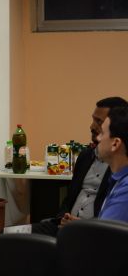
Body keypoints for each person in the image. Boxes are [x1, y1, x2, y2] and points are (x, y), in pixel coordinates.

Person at [32, 97, 128, 235]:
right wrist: (63, 218)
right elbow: (70, 196)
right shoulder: (85, 156)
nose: (92, 128)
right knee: (10, 234)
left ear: (115, 143)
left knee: (21, 247)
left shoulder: (122, 183)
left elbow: (106, 237)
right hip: (69, 228)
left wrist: (81, 226)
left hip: (87, 235)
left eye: (101, 127)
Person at [96, 106, 128, 223]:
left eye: (102, 133)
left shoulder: (125, 190)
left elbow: (105, 237)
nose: (97, 138)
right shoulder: (119, 179)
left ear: (115, 143)